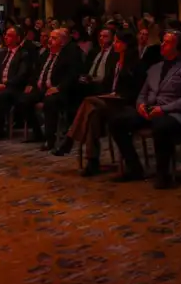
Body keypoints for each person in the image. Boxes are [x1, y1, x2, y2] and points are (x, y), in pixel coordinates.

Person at [108, 31, 181, 188]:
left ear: (178, 47)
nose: (162, 45)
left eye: (167, 42)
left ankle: (163, 174)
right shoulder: (155, 68)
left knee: (161, 126)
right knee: (116, 121)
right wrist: (141, 105)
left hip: (175, 115)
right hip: (152, 110)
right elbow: (143, 93)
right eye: (163, 41)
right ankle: (134, 168)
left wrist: (162, 109)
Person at [57, 30, 144, 176]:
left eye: (117, 42)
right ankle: (92, 161)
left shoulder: (135, 65)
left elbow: (135, 91)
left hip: (124, 103)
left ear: (126, 45)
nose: (115, 44)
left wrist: (116, 95)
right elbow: (107, 85)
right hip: (110, 100)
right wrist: (108, 94)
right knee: (93, 115)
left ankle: (70, 139)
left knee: (88, 101)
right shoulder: (115, 62)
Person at [16, 28, 80, 151]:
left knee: (50, 102)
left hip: (58, 90)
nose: (50, 40)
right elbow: (35, 72)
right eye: (50, 37)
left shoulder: (69, 56)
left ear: (62, 41)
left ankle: (50, 138)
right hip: (41, 88)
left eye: (54, 38)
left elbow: (72, 76)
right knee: (23, 100)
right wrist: (31, 84)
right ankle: (37, 132)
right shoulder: (45, 54)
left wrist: (59, 87)